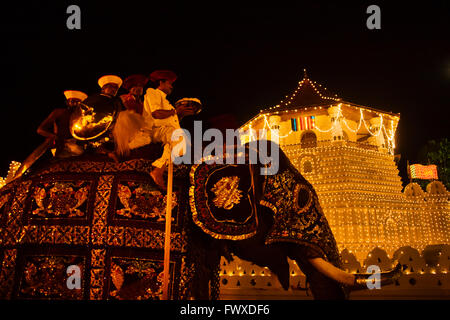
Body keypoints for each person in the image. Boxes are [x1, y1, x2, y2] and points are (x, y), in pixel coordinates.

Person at [127, 70, 197, 189]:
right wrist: (175, 111)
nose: (171, 87)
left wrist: (180, 115)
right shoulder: (152, 92)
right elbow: (157, 114)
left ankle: (159, 168)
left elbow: (170, 121)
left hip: (165, 131)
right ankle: (158, 170)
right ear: (161, 82)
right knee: (179, 137)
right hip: (154, 129)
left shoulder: (167, 103)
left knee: (181, 145)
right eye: (169, 83)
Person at [37, 90, 87, 158]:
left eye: (77, 102)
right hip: (61, 147)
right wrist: (56, 138)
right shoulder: (59, 112)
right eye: (72, 101)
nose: (75, 104)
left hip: (79, 148)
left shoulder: (82, 116)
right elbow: (40, 130)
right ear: (67, 102)